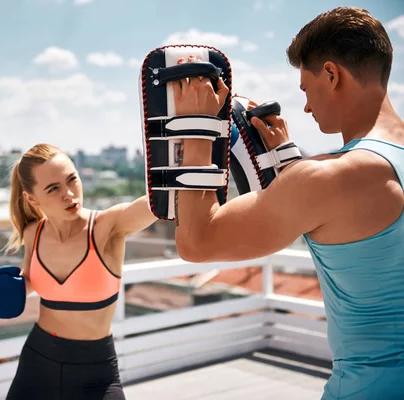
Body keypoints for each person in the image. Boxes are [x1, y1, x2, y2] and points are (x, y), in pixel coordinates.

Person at [171, 6, 404, 400]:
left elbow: (195, 241)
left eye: (306, 89)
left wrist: (199, 128)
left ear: (331, 74)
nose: (308, 107)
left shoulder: (328, 179)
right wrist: (288, 162)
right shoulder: (341, 175)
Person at [0, 143, 158, 400]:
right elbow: (32, 279)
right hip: (38, 360)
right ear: (32, 198)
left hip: (95, 371)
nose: (69, 194)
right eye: (53, 188)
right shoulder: (33, 233)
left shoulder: (106, 226)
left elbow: (156, 203)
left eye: (72, 180)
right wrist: (14, 287)